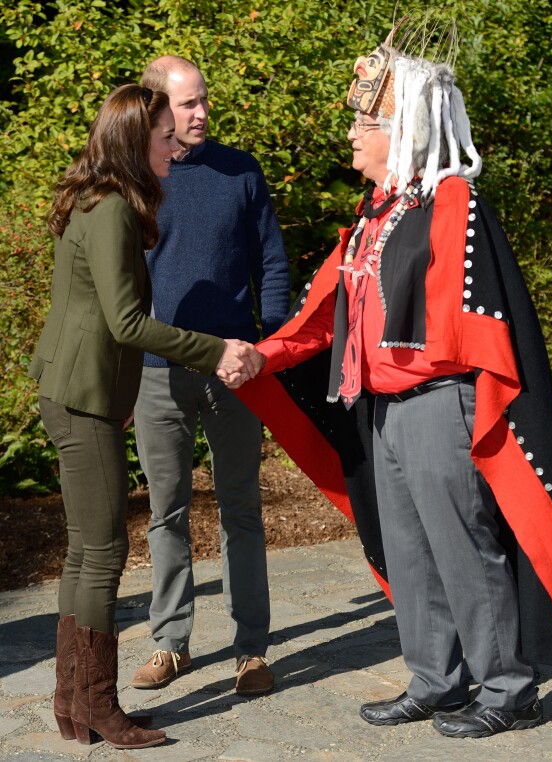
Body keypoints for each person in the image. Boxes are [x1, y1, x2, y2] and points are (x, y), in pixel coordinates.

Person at [233, 13, 552, 739]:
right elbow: (326, 313)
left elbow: (470, 318)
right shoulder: (374, 215)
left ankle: (510, 687)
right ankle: (434, 677)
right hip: (384, 410)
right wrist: (267, 356)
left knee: (463, 546)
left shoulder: (451, 201)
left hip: (439, 404)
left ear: (407, 130)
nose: (353, 135)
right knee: (411, 551)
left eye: (368, 121)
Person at [28, 84, 263, 750]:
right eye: (164, 135)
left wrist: (123, 386)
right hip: (82, 395)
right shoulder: (110, 212)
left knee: (84, 553)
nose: (175, 144)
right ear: (137, 140)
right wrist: (217, 349)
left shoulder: (100, 200)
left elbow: (102, 318)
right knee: (102, 554)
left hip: (83, 388)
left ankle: (74, 704)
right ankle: (99, 707)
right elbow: (127, 321)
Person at [129, 56, 289, 696]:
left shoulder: (240, 171)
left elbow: (270, 262)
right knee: (165, 510)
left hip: (235, 370)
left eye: (203, 101)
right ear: (155, 107)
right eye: (187, 104)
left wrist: (268, 346)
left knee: (241, 508)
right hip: (153, 371)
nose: (201, 113)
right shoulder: (136, 179)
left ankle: (252, 648)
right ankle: (170, 643)